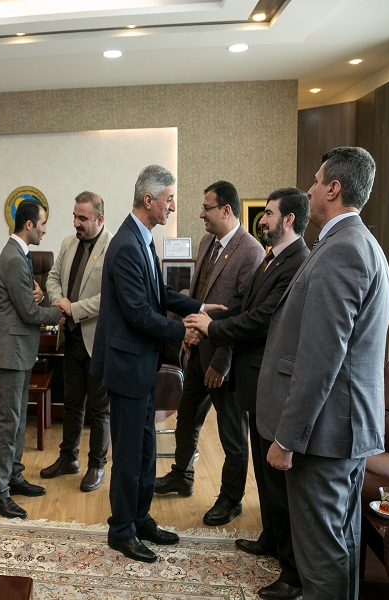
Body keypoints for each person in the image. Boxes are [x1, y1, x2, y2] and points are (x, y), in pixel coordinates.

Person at [258, 147, 389, 599]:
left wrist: (288, 438)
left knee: (321, 557)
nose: (310, 189)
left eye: (316, 181)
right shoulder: (357, 243)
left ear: (333, 188)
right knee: (340, 544)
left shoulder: (343, 250)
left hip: (323, 436)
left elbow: (321, 358)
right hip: (341, 430)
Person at [184, 187, 309, 600]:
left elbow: (262, 319)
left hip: (270, 382)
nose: (262, 219)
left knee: (277, 481)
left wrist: (213, 329)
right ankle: (271, 539)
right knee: (264, 472)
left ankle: (291, 575)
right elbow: (246, 306)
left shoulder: (296, 261)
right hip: (256, 382)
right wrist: (215, 315)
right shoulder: (274, 257)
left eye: (269, 213)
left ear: (288, 219)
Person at [90, 165, 211, 564]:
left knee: (144, 452)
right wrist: (183, 331)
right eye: (169, 199)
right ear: (149, 199)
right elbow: (139, 313)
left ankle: (140, 518)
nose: (172, 206)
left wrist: (199, 307)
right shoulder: (126, 244)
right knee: (129, 456)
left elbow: (159, 294)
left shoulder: (141, 238)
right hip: (127, 369)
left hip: (140, 367)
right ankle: (121, 530)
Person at [155, 180, 265, 527]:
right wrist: (186, 332)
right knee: (187, 418)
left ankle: (231, 499)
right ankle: (182, 475)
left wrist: (222, 361)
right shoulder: (207, 242)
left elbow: (243, 314)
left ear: (226, 210)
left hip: (223, 363)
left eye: (207, 207)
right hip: (197, 353)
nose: (201, 214)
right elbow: (198, 295)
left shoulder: (251, 252)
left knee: (232, 436)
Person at [0, 201, 63, 520]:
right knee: (8, 421)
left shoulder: (19, 255)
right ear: (29, 224)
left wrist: (40, 297)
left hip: (18, 350)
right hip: (10, 352)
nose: (45, 229)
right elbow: (29, 313)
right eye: (43, 223)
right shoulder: (14, 258)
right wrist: (59, 312)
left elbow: (28, 300)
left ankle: (13, 476)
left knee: (17, 420)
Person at [39, 191, 112, 492]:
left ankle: (97, 465)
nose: (76, 223)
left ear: (100, 218)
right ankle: (68, 458)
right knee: (71, 403)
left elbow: (110, 296)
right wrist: (60, 302)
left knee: (99, 409)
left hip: (97, 342)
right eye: (74, 216)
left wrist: (75, 309)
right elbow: (52, 278)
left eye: (82, 218)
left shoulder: (113, 247)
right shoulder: (69, 243)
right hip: (70, 338)